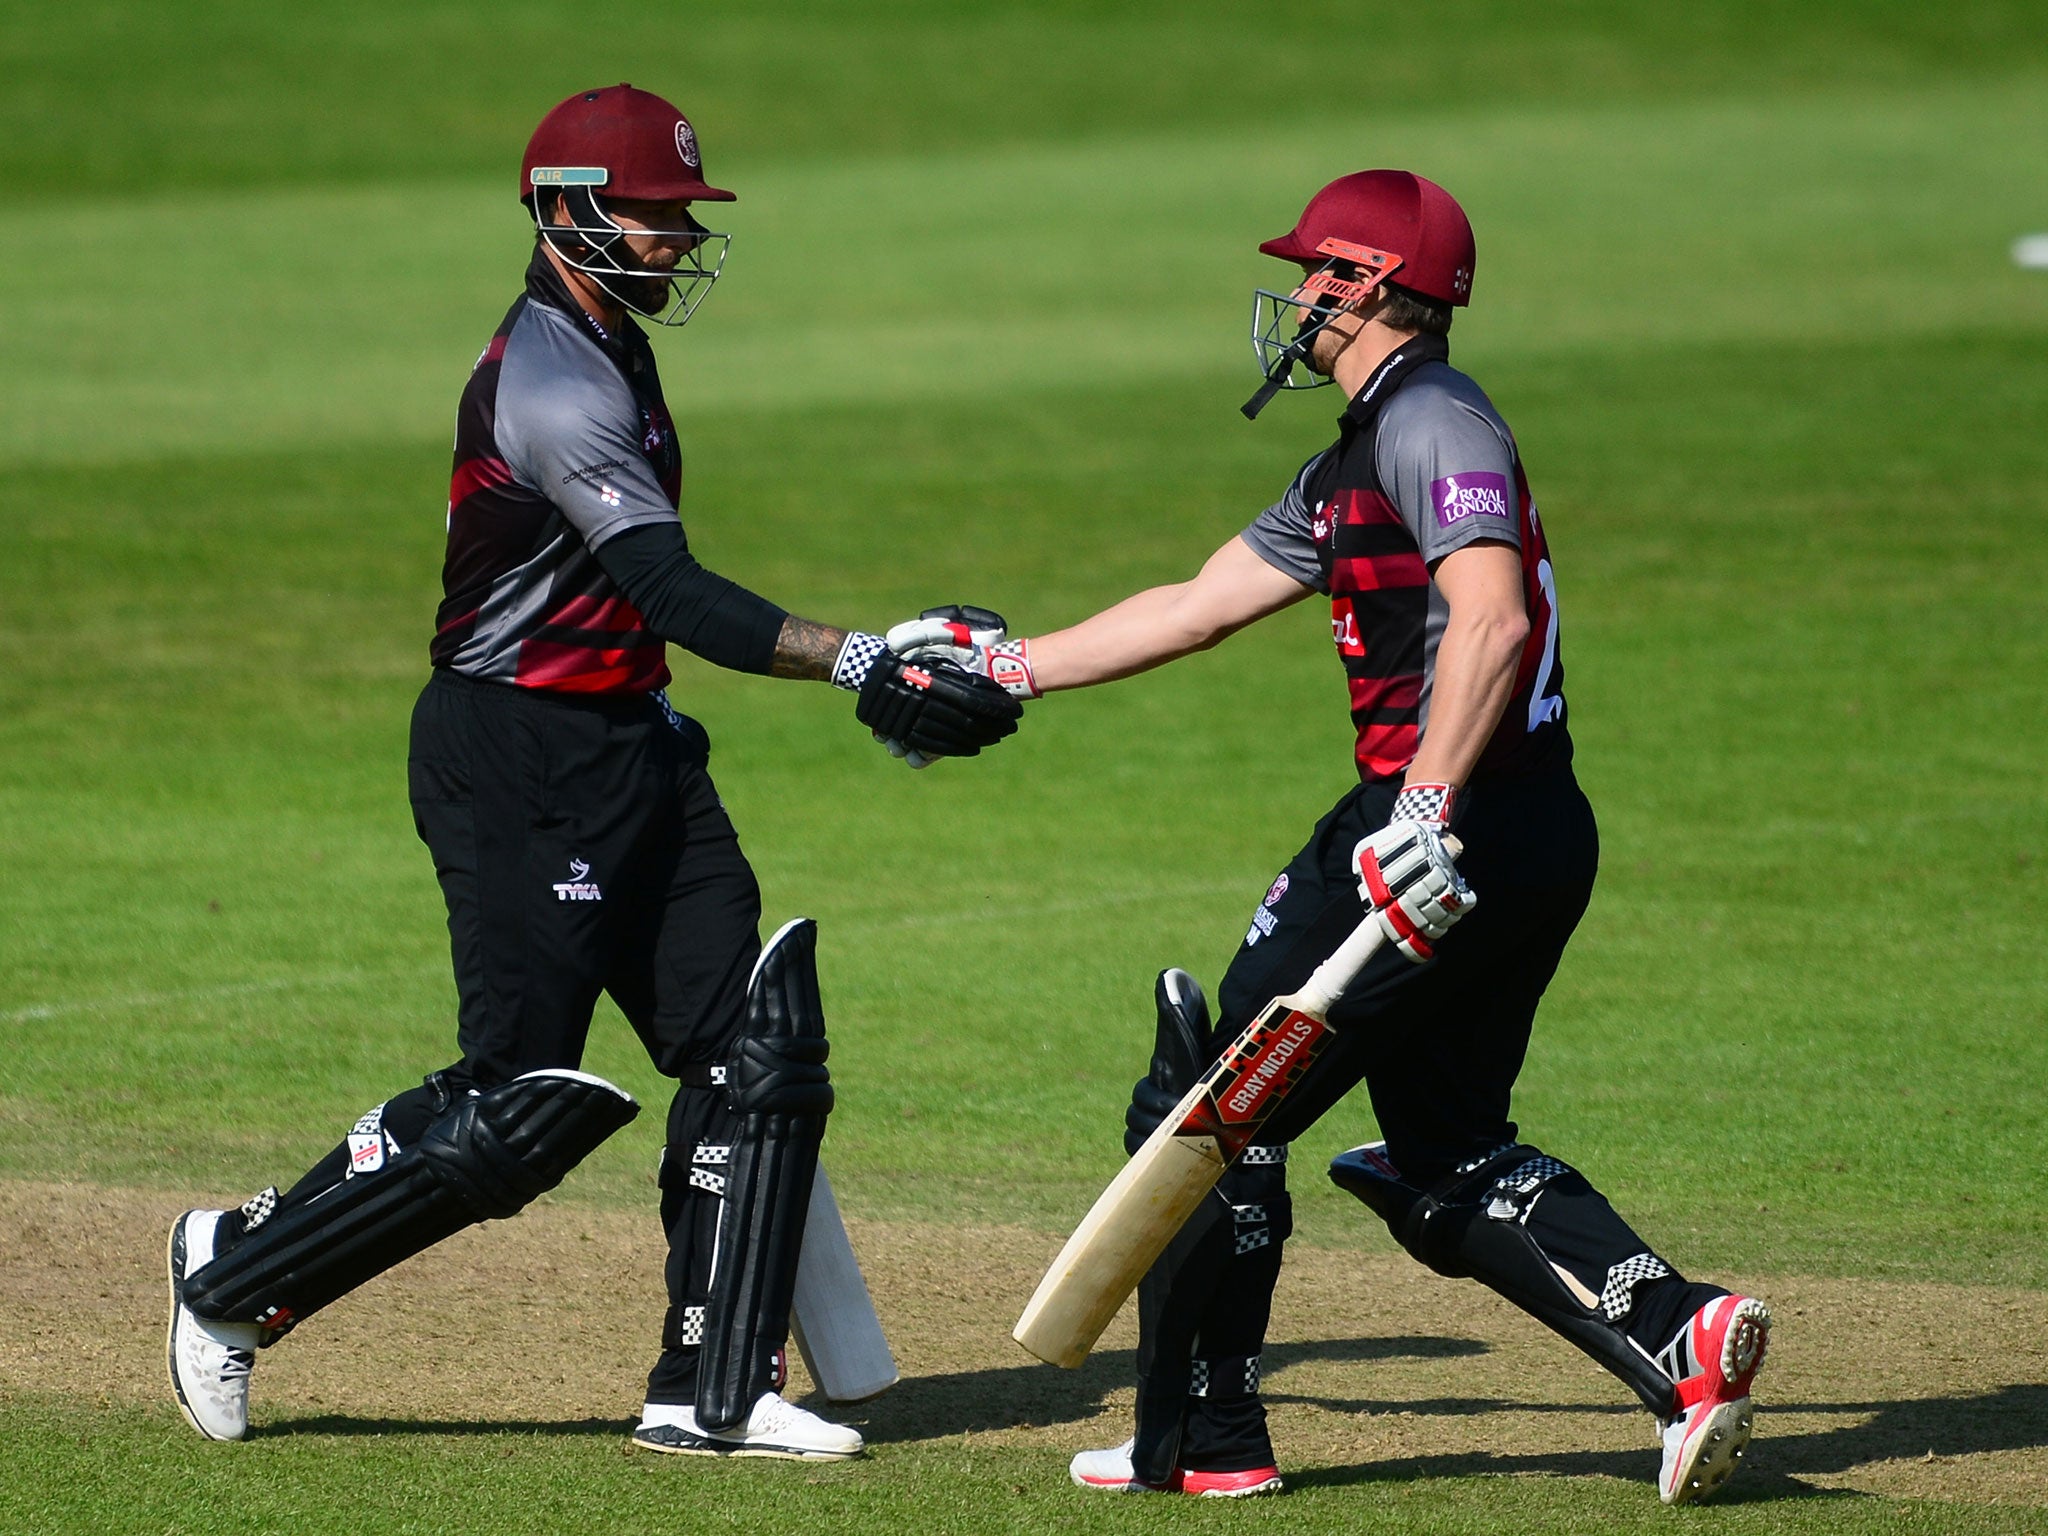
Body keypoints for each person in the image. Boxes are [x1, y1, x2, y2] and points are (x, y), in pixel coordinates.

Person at [164, 84, 1021, 1459]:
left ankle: (708, 1392)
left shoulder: (612, 341)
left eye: (685, 213)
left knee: (750, 1052)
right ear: (566, 211)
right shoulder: (553, 377)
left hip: (630, 746)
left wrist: (700, 704)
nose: (679, 236)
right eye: (654, 212)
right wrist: (866, 659)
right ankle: (232, 1281)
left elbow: (629, 615)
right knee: (515, 1110)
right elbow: (670, 589)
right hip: (515, 758)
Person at [897, 170, 1769, 1505]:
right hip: (1524, 834)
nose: (1296, 296)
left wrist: (1420, 818)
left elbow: (1491, 619)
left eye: (1316, 272)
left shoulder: (1434, 419)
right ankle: (1678, 1333)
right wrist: (1000, 668)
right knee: (1444, 1144)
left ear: (1370, 284)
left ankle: (1205, 1441)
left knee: (1209, 1114)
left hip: (1432, 833)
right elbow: (1193, 607)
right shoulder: (1355, 454)